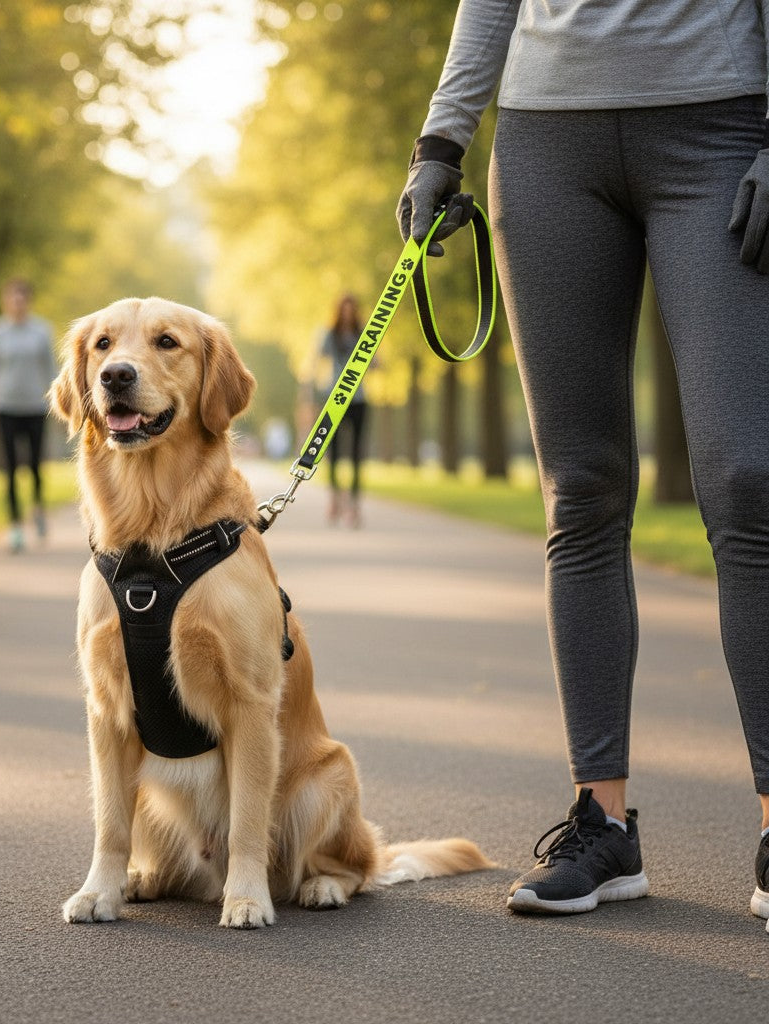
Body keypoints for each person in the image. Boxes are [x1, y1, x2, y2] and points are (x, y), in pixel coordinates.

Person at [398, 0, 769, 922]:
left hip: (720, 122)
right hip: (546, 141)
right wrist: (441, 142)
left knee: (748, 479)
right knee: (583, 489)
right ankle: (602, 825)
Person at [0, 278, 58, 553]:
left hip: (35, 407)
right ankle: (16, 527)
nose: (17, 302)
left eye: (22, 297)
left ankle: (38, 509)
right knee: (8, 469)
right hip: (3, 407)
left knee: (34, 466)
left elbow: (52, 371)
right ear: (5, 301)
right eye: (12, 297)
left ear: (27, 301)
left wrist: (62, 404)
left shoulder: (42, 331)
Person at [318, 294, 370, 528]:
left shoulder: (364, 334)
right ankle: (335, 500)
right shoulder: (331, 334)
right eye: (344, 309)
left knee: (357, 453)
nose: (348, 313)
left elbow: (377, 363)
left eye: (352, 309)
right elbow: (318, 358)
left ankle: (354, 505)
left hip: (359, 400)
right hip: (336, 398)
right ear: (339, 311)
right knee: (335, 452)